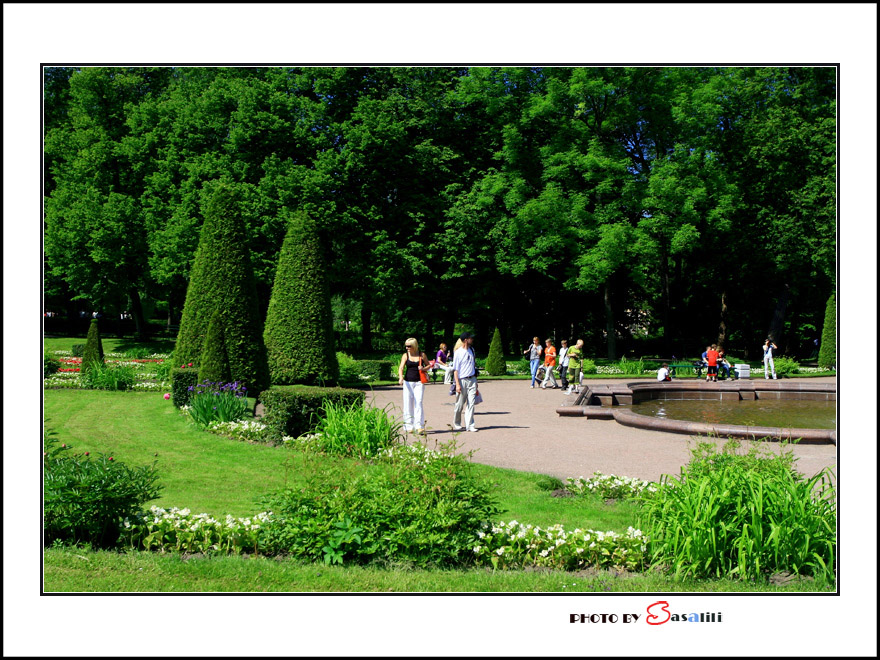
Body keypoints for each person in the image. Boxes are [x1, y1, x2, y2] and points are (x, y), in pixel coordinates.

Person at [397, 338, 430, 435]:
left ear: (414, 346)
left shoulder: (421, 355)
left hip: (419, 382)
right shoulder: (406, 355)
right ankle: (408, 426)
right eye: (406, 346)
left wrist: (423, 368)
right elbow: (401, 367)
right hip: (408, 382)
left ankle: (419, 426)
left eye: (409, 346)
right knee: (408, 403)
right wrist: (400, 377)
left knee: (418, 402)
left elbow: (429, 365)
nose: (407, 348)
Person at [452, 332, 479, 432]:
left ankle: (470, 425)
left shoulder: (472, 350)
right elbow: (455, 370)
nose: (472, 339)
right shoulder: (458, 352)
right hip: (462, 380)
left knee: (471, 403)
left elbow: (473, 365)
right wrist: (457, 384)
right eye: (470, 338)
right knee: (459, 404)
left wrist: (475, 381)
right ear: (466, 340)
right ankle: (457, 423)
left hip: (472, 379)